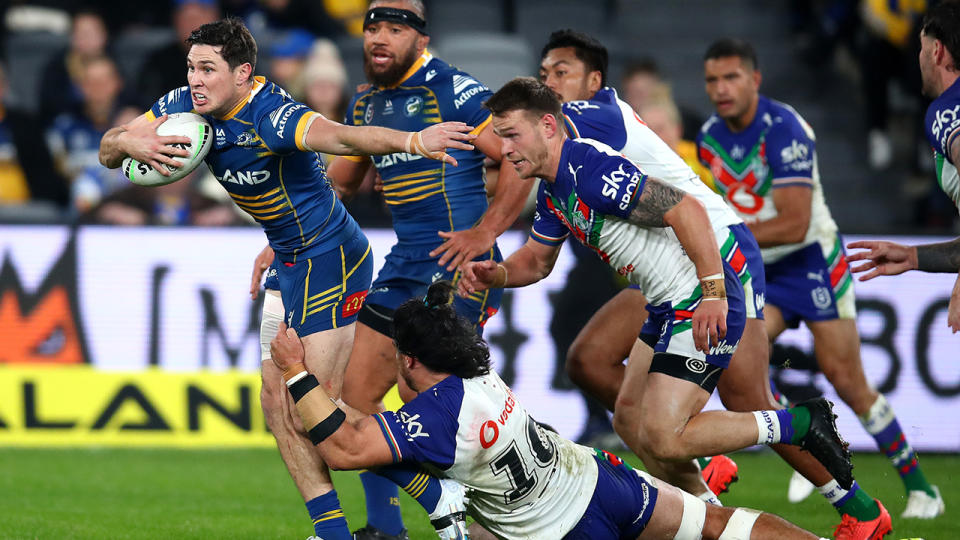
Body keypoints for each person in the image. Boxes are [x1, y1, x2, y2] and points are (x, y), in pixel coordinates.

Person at [97, 17, 475, 540]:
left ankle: (436, 492)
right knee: (276, 407)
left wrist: (415, 140)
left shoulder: (273, 116)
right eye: (191, 68)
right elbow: (107, 148)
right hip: (285, 259)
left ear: (243, 73)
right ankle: (332, 533)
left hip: (331, 259)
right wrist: (131, 145)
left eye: (208, 69)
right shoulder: (182, 104)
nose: (195, 80)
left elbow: (344, 137)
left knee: (310, 411)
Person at [536, 30, 891, 537]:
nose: (549, 83)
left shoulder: (592, 117)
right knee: (590, 362)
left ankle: (856, 506)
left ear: (595, 81)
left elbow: (512, 140)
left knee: (746, 397)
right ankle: (697, 474)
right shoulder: (570, 136)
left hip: (715, 255)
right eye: (544, 74)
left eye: (560, 73)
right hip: (663, 271)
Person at [457, 77, 854, 505]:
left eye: (512, 135)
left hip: (692, 296)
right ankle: (710, 515)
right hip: (664, 305)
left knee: (666, 436)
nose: (505, 150)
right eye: (500, 138)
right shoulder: (555, 190)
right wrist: (495, 274)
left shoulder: (590, 168)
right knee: (632, 424)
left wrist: (713, 294)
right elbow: (536, 261)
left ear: (549, 127)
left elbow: (686, 209)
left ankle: (796, 422)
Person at [269, 280, 831, 540]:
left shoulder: (439, 417)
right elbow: (376, 431)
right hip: (597, 478)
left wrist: (296, 371)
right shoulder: (480, 375)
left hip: (559, 531)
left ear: (412, 363)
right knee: (718, 526)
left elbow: (346, 447)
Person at [696, 37, 941, 523]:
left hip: (812, 261)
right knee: (736, 365)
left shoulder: (784, 127)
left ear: (755, 79)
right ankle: (805, 434)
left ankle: (920, 487)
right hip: (763, 264)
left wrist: (723, 241)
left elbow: (794, 221)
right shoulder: (707, 138)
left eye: (731, 77)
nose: (720, 89)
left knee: (847, 380)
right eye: (711, 80)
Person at [315, 1, 529, 537]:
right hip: (404, 262)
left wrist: (485, 234)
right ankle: (391, 526)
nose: (378, 40)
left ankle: (514, 504)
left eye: (393, 29)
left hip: (460, 268)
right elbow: (340, 180)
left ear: (420, 38)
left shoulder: (451, 91)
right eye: (372, 30)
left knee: (433, 399)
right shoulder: (367, 104)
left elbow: (521, 158)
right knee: (355, 399)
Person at [848, 1, 960, 336]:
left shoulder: (947, 110)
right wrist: (913, 257)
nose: (919, 58)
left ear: (937, 51)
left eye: (922, 49)